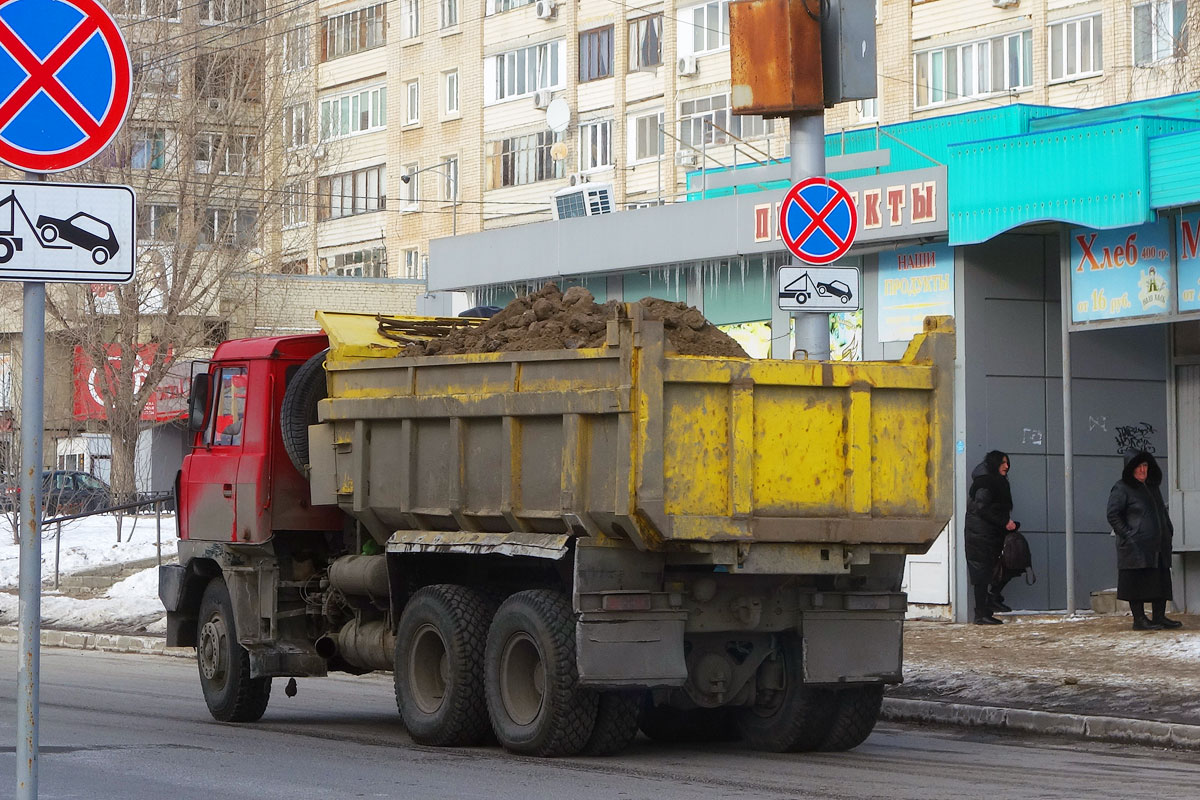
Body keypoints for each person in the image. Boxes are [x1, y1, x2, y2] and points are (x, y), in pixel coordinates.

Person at [1106, 450, 1182, 631]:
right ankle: (1139, 619)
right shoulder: (1121, 488)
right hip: (1135, 547)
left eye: (1145, 465)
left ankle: (1159, 617)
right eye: (1138, 466)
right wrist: (1128, 535)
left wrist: (1168, 529)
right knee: (1136, 582)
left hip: (1157, 545)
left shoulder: (1152, 487)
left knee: (1160, 580)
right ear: (1130, 468)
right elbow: (1113, 515)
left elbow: (1160, 511)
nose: (1142, 470)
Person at [965, 450, 1018, 625]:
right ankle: (981, 614)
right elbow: (982, 508)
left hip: (988, 535)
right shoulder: (986, 483)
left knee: (1009, 562)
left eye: (1007, 462)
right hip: (980, 536)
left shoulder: (995, 482)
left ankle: (990, 601)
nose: (1007, 466)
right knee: (981, 574)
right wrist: (1004, 522)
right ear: (995, 464)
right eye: (1003, 463)